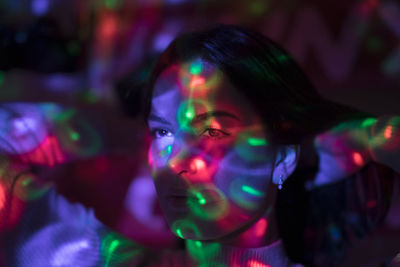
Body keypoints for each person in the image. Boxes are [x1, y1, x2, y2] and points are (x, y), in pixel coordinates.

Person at [1, 24, 399, 267]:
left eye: (211, 132)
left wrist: (373, 139)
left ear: (282, 157)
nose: (175, 163)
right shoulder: (91, 258)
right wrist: (113, 130)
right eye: (162, 134)